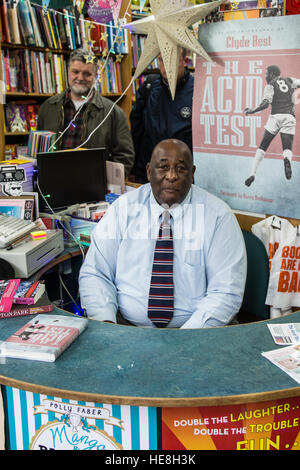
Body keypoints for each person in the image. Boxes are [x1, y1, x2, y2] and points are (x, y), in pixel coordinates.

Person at [79, 139, 247, 329]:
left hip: (195, 332)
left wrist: (186, 340)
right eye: (163, 167)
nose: (171, 176)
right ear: (149, 171)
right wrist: (107, 323)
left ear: (192, 174)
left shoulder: (218, 216)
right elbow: (95, 272)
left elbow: (226, 291)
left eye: (181, 169)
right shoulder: (123, 208)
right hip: (125, 327)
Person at [37, 48, 134, 177]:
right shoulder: (48, 107)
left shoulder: (113, 112)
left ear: (95, 76)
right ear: (68, 72)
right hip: (52, 182)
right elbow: (38, 150)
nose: (80, 78)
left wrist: (104, 181)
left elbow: (125, 156)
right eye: (75, 72)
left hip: (94, 187)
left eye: (87, 74)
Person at [129, 48, 194, 183]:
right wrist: (134, 169)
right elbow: (136, 131)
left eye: (173, 61)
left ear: (185, 61)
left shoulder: (197, 89)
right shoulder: (149, 86)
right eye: (162, 61)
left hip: (183, 175)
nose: (166, 66)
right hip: (150, 173)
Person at [244, 65, 300, 187]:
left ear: (273, 74)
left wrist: (252, 110)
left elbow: (265, 104)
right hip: (289, 116)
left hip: (275, 117)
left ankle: (252, 173)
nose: (265, 76)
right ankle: (286, 159)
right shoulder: (290, 80)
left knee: (262, 147)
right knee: (287, 148)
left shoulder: (270, 85)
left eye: (267, 73)